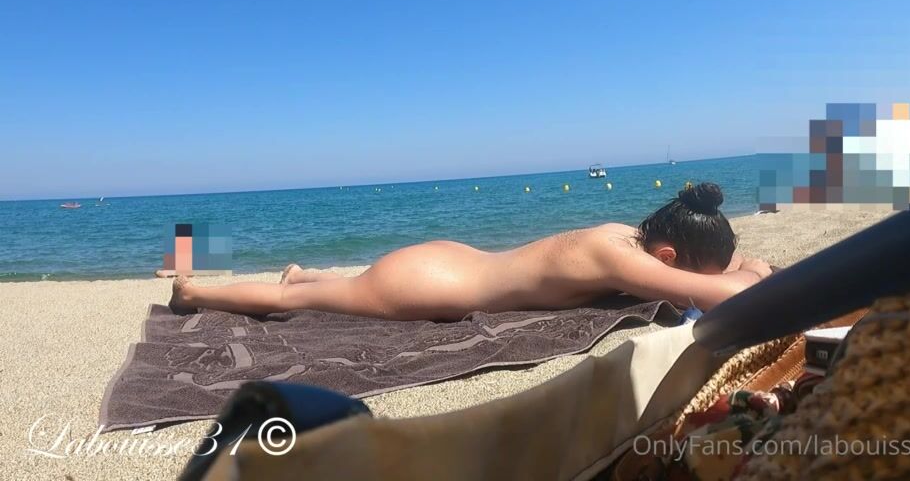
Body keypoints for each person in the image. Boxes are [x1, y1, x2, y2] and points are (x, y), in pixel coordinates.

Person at [168, 182, 772, 320]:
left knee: (330, 289)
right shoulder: (625, 260)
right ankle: (194, 291)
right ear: (667, 257)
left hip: (451, 260)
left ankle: (306, 273)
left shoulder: (622, 233)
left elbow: (711, 281)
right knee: (290, 306)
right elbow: (718, 295)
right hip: (428, 284)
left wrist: (739, 265)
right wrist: (750, 270)